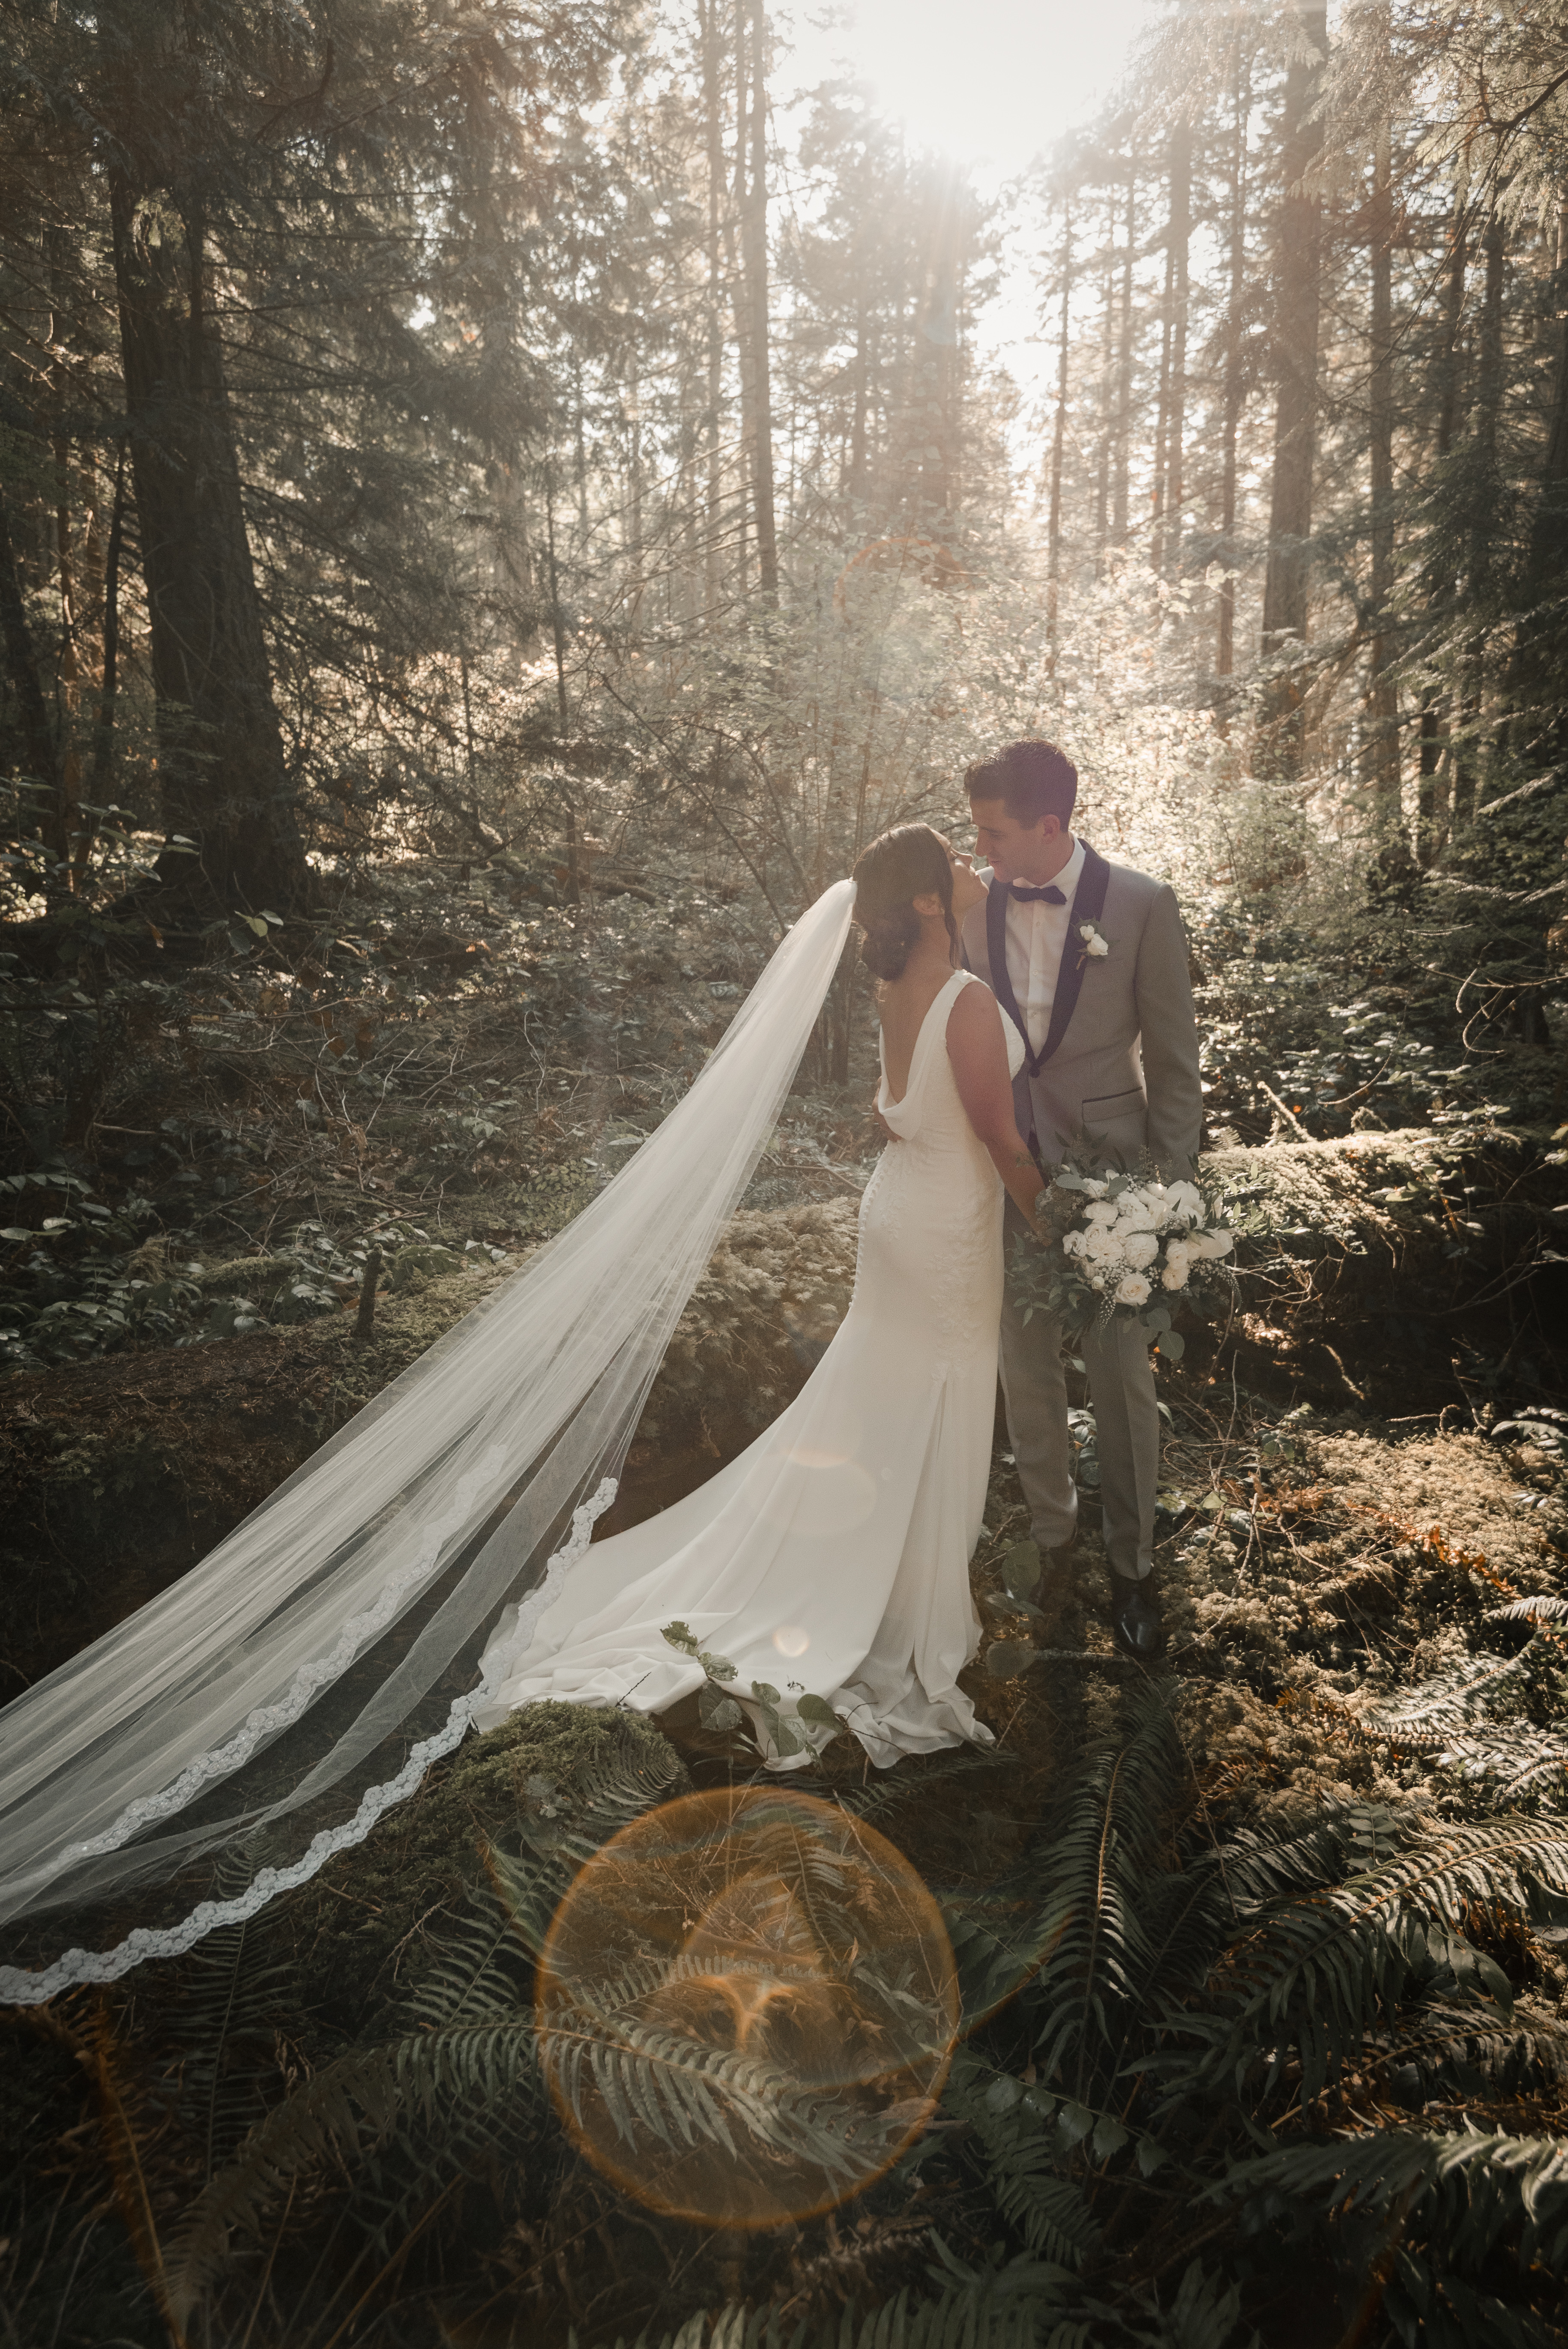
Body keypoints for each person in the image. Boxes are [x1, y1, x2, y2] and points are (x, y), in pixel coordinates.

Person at [475, 824, 1043, 1765]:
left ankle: (866, 1578)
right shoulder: (969, 1001)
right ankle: (894, 1613)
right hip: (944, 1229)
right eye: (954, 860)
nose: (971, 865)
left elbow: (895, 1109)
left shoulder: (903, 989)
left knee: (879, 1400)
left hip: (901, 1208)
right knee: (926, 1400)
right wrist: (1067, 1237)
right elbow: (1002, 1138)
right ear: (934, 903)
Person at [960, 739, 1203, 1660]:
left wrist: (1169, 1192)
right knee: (1023, 1362)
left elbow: (1176, 1065)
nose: (982, 850)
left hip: (1116, 1178)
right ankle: (1055, 1545)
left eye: (993, 832)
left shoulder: (1141, 905)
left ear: (1049, 826)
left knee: (1119, 1374)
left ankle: (1134, 1567)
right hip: (1008, 1170)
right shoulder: (974, 905)